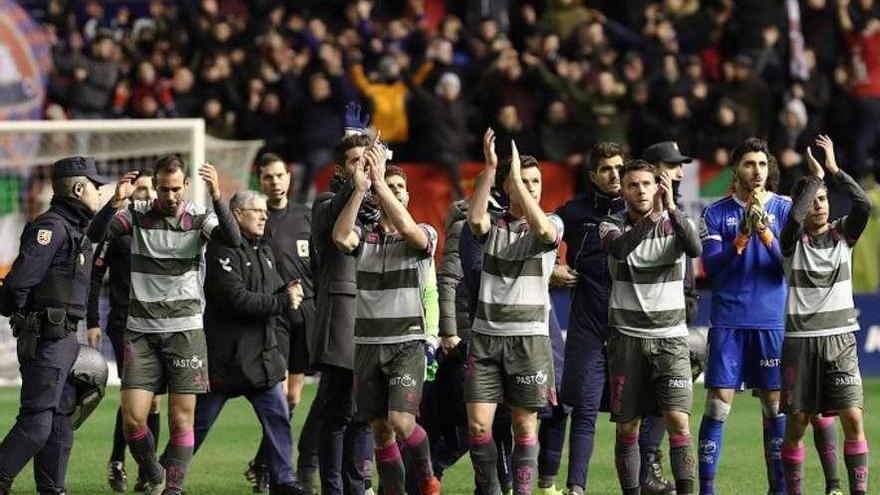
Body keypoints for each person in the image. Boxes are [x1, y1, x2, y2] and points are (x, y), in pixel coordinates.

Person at [89, 154, 241, 495]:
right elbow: (95, 234)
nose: (169, 196)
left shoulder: (200, 218)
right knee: (132, 420)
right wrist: (115, 202)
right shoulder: (136, 215)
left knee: (180, 420)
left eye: (175, 189)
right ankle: (155, 474)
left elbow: (233, 241)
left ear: (186, 186)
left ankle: (172, 489)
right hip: (140, 332)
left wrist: (218, 196)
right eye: (163, 189)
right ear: (155, 187)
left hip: (185, 332)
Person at [0, 156, 111, 495]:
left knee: (61, 418)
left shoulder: (72, 227)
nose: (98, 193)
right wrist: (26, 318)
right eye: (95, 187)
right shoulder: (51, 228)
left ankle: (52, 490)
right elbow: (17, 284)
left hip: (61, 339)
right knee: (37, 421)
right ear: (79, 188)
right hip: (47, 338)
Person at [332, 152, 442, 495]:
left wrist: (379, 183)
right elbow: (339, 236)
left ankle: (426, 480)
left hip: (407, 342)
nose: (393, 191)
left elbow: (408, 229)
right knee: (380, 430)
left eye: (399, 187)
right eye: (388, 185)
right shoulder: (365, 238)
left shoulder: (423, 233)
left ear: (407, 195)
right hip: (367, 344)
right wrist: (360, 188)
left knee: (401, 421)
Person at [194, 190, 312, 495]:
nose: (263, 215)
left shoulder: (264, 250)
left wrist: (288, 289)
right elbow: (237, 300)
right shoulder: (221, 250)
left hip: (261, 359)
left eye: (264, 211)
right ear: (236, 214)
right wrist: (284, 301)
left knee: (278, 418)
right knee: (196, 425)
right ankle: (167, 472)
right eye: (256, 210)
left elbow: (272, 290)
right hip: (225, 362)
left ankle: (283, 481)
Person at [466, 129, 562, 495]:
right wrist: (491, 168)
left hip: (529, 340)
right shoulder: (493, 225)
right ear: (506, 187)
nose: (531, 186)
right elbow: (475, 222)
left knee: (525, 427)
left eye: (536, 181)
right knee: (478, 428)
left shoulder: (552, 222)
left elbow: (541, 229)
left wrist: (517, 181)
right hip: (487, 338)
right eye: (523, 181)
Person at [600, 160, 701, 495]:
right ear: (623, 190)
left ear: (659, 186)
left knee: (678, 421)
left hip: (671, 340)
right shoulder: (610, 225)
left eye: (647, 184)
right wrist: (655, 217)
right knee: (628, 426)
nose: (641, 191)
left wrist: (670, 208)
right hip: (626, 340)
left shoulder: (677, 222)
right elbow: (620, 249)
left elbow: (695, 248)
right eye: (633, 185)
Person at [697, 138, 792, 495]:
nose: (757, 171)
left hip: (770, 321)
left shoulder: (784, 208)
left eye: (762, 164)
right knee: (718, 407)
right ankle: (707, 489)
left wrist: (765, 233)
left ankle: (779, 488)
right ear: (736, 169)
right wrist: (741, 238)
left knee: (774, 407)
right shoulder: (715, 213)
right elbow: (713, 268)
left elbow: (785, 266)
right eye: (749, 164)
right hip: (729, 322)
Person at [779, 135, 871, 495]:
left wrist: (833, 171)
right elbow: (792, 221)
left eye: (822, 199)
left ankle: (856, 492)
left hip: (840, 340)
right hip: (800, 343)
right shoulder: (790, 243)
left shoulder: (843, 234)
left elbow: (863, 205)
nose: (818, 205)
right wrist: (814, 179)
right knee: (798, 423)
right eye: (811, 201)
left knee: (852, 416)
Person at [247, 152, 320, 492]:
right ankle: (272, 470)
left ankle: (262, 461)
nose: (274, 182)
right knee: (278, 399)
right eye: (267, 178)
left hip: (306, 315)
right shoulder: (256, 221)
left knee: (292, 399)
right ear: (259, 181)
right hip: (274, 317)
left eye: (279, 176)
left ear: (289, 178)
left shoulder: (307, 217)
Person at [555, 142, 625, 495]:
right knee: (580, 407)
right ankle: (575, 487)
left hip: (629, 326)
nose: (615, 175)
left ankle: (643, 483)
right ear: (592, 175)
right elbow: (541, 238)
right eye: (607, 169)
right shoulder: (572, 212)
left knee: (637, 415)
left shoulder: (636, 211)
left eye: (619, 168)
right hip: (588, 323)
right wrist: (552, 267)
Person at [85, 169, 159, 493]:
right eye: (139, 189)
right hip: (125, 323)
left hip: (159, 323)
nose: (145, 194)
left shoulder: (167, 229)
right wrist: (91, 321)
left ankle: (142, 469)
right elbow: (94, 273)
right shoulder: (118, 230)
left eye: (149, 189)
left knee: (151, 401)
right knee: (136, 394)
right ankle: (121, 461)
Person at [310, 133, 376, 495]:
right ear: (340, 169)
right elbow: (339, 229)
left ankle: (358, 484)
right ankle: (333, 489)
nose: (362, 167)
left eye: (367, 159)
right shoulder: (325, 202)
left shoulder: (379, 203)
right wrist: (360, 189)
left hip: (376, 316)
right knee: (337, 413)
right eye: (355, 161)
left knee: (365, 414)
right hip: (340, 318)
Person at [640, 140, 702, 495]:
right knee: (647, 403)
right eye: (672, 165)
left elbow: (688, 259)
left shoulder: (677, 209)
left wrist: (690, 296)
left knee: (670, 402)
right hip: (645, 319)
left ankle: (650, 467)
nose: (680, 172)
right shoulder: (638, 210)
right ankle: (644, 469)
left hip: (677, 312)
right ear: (653, 168)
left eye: (680, 165)